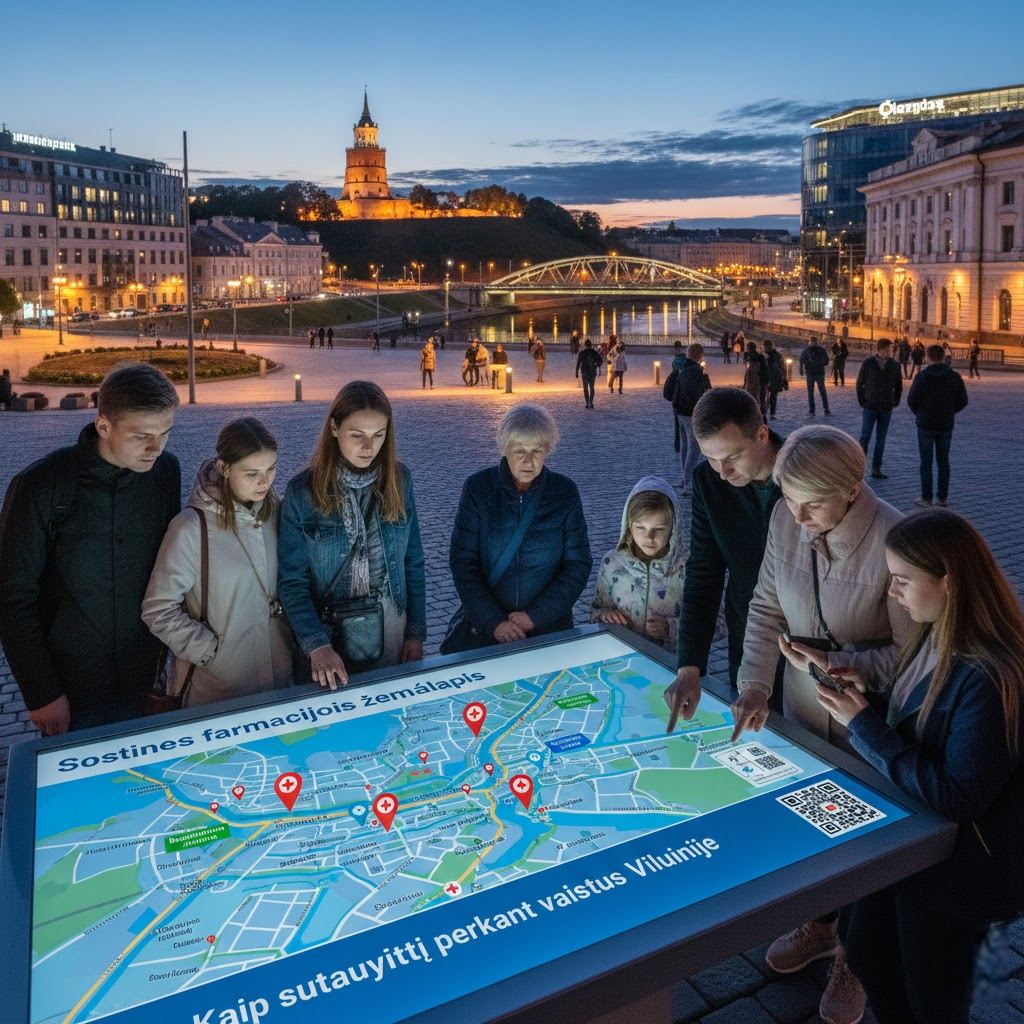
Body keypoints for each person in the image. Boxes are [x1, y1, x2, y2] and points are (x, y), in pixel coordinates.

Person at [812, 510, 1024, 1024]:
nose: (893, 593)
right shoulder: (937, 631)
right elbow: (928, 720)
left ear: (948, 581)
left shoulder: (989, 674)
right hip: (910, 844)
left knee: (933, 997)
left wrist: (863, 725)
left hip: (958, 869)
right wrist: (874, 697)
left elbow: (960, 795)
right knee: (867, 953)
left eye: (903, 580)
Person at [731, 424, 912, 1024]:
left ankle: (858, 956)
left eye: (812, 503)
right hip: (805, 707)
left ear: (853, 490)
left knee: (869, 843)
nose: (798, 516)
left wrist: (843, 664)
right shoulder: (786, 518)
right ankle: (822, 923)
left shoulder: (894, 538)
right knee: (817, 819)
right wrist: (754, 685)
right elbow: (765, 606)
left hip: (870, 720)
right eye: (789, 499)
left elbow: (913, 655)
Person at [0, 362, 180, 734]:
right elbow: (12, 596)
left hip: (145, 679)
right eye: (140, 436)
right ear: (103, 426)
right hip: (70, 690)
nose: (155, 448)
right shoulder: (39, 485)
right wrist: (41, 693)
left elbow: (170, 565)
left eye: (165, 432)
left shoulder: (165, 472)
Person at [277, 381, 426, 688]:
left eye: (378, 435)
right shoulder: (302, 492)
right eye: (357, 435)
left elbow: (413, 561)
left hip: (390, 627)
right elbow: (292, 583)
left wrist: (415, 632)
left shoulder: (400, 479)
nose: (368, 447)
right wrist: (316, 645)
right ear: (334, 428)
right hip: (327, 637)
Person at [142, 418, 292, 706]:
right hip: (218, 690)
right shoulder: (190, 528)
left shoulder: (277, 512)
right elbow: (158, 608)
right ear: (224, 468)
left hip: (280, 678)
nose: (265, 481)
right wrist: (210, 652)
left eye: (271, 469)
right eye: (252, 473)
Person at [664, 388, 785, 724]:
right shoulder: (709, 482)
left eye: (732, 457)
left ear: (762, 435)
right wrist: (690, 665)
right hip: (747, 635)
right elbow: (704, 571)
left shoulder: (804, 472)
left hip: (808, 643)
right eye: (711, 458)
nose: (723, 472)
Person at [443, 403, 591, 654]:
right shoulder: (478, 489)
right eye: (519, 451)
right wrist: (493, 622)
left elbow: (577, 564)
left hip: (549, 629)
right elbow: (463, 561)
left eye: (537, 451)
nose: (528, 461)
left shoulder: (564, 492)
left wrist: (535, 616)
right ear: (505, 449)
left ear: (548, 450)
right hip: (488, 633)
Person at [591, 477, 686, 652]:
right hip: (623, 660)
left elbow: (715, 622)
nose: (649, 537)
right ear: (628, 525)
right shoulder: (612, 563)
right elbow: (597, 610)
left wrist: (670, 627)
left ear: (674, 527)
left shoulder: (688, 568)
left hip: (672, 663)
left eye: (658, 529)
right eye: (640, 528)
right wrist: (605, 615)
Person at [907, 344, 968, 508]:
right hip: (945, 424)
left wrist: (921, 414)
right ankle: (942, 498)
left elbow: (911, 400)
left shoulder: (922, 376)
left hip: (926, 424)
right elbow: (963, 400)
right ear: (943, 357)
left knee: (926, 462)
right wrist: (949, 412)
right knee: (943, 461)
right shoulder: (954, 376)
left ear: (928, 357)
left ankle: (926, 498)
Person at [856, 338, 903, 480]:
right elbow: (860, 383)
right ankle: (859, 468)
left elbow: (898, 386)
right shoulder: (868, 363)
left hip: (886, 407)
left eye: (890, 350)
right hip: (870, 406)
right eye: (887, 350)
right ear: (879, 350)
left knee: (881, 439)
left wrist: (895, 402)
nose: (889, 353)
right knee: (865, 437)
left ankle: (876, 468)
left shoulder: (894, 365)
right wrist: (863, 401)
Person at [672, 343, 710, 496]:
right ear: (700, 355)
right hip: (691, 412)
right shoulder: (695, 371)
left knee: (685, 445)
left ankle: (684, 478)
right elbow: (698, 394)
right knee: (694, 446)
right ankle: (688, 482)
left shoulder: (679, 366)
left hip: (679, 410)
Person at [798, 334, 831, 415]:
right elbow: (827, 361)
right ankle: (826, 409)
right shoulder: (821, 350)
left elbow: (801, 360)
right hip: (819, 373)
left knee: (811, 392)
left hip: (810, 373)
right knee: (822, 391)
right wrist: (821, 363)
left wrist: (801, 369)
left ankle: (812, 410)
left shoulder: (806, 350)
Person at [742, 340, 768, 418]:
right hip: (758, 378)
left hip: (753, 378)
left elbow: (748, 368)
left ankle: (752, 410)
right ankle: (758, 410)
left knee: (751, 394)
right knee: (757, 395)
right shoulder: (760, 356)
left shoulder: (749, 356)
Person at [763, 339, 787, 420]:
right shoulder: (776, 355)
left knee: (770, 397)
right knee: (770, 397)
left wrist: (784, 377)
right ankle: (769, 414)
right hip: (771, 378)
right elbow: (782, 367)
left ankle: (769, 413)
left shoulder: (765, 356)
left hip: (772, 378)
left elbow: (781, 367)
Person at [575, 338, 602, 408]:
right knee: (592, 387)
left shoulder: (582, 353)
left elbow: (578, 363)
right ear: (591, 344)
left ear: (585, 345)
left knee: (585, 388)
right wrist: (596, 365)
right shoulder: (594, 352)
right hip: (592, 372)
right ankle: (591, 402)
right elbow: (600, 361)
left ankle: (587, 402)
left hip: (584, 372)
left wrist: (576, 372)